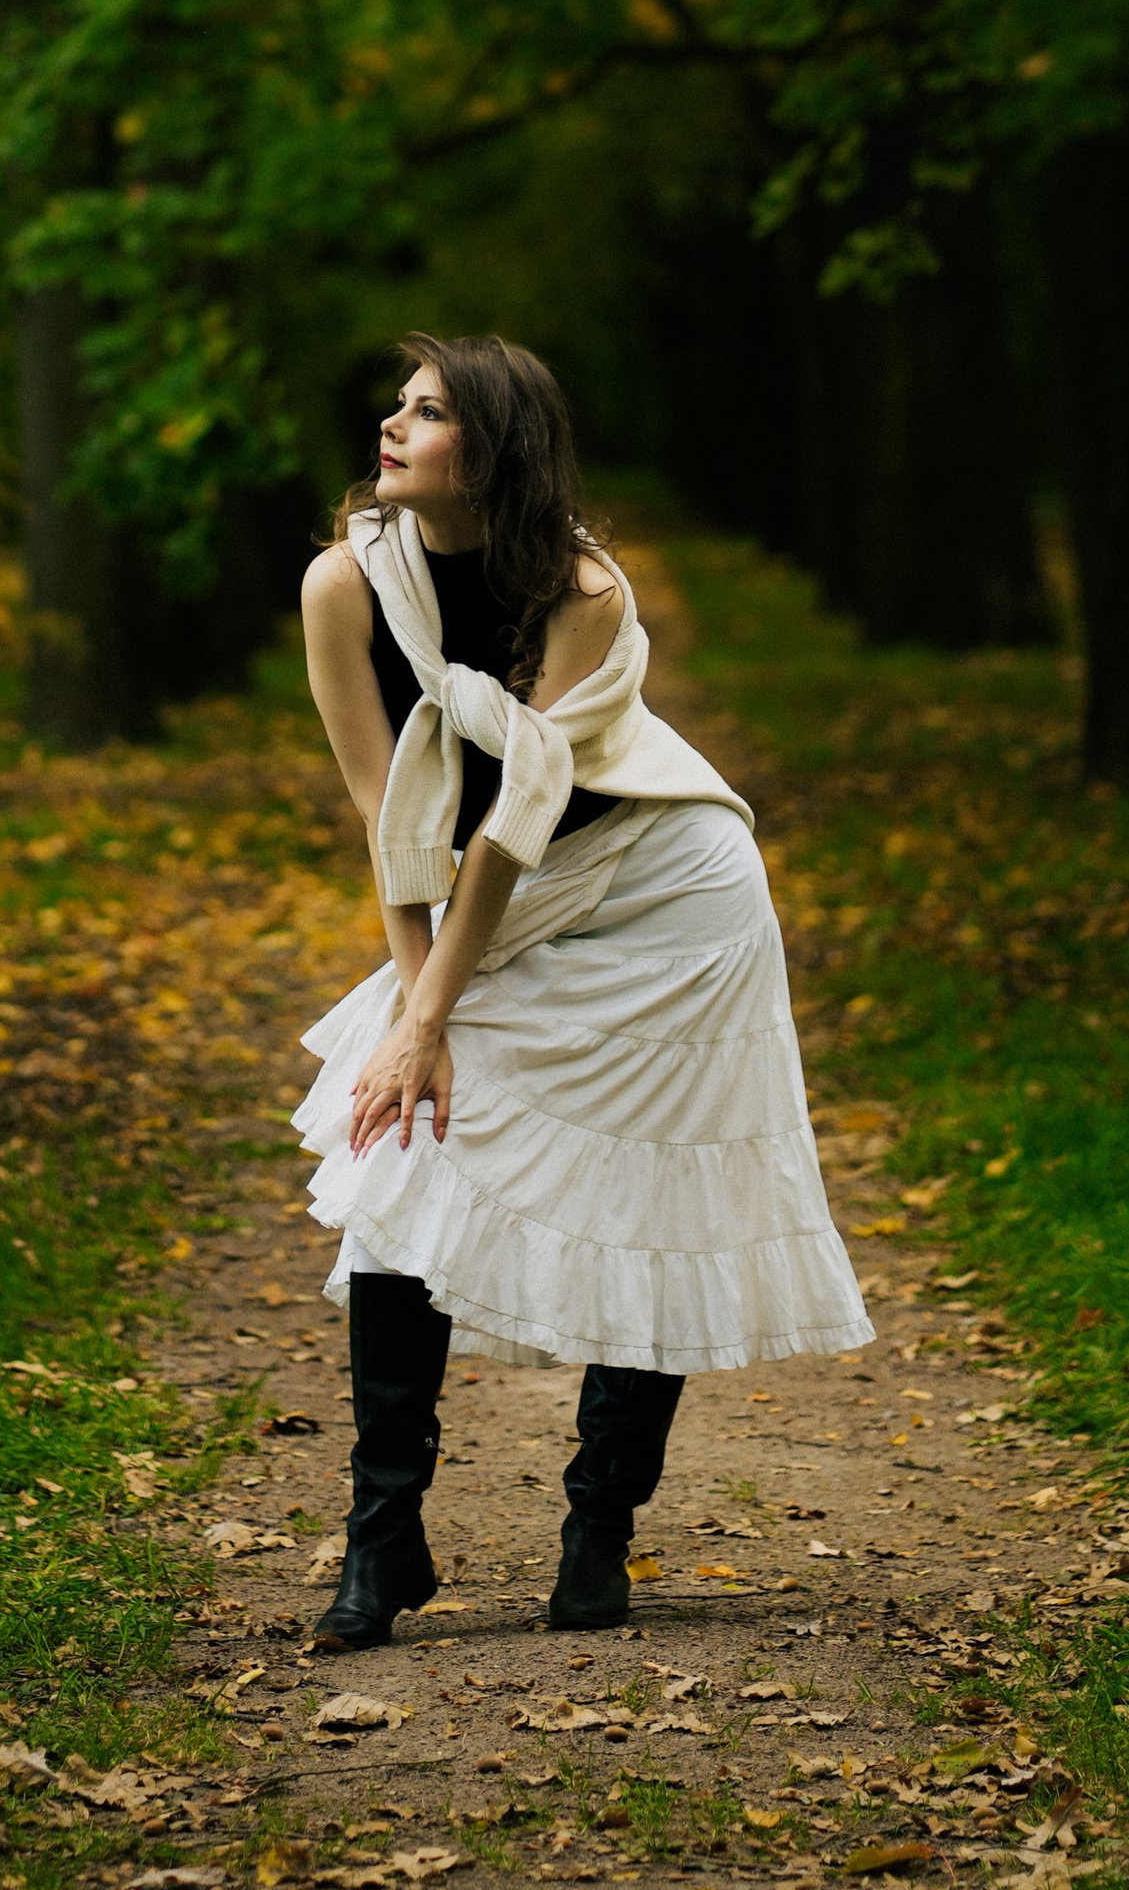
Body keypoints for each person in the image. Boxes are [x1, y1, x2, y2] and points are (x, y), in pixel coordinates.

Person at [294, 332, 870, 1648]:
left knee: (661, 1183)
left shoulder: (584, 590)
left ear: (492, 448)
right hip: (519, 895)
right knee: (403, 1152)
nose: (392, 423)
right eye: (395, 403)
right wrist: (409, 1015)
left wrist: (434, 1011)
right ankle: (382, 1546)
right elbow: (388, 811)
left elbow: (522, 815)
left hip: (669, 891)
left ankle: (598, 1532)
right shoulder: (344, 586)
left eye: (428, 411)